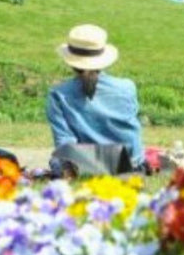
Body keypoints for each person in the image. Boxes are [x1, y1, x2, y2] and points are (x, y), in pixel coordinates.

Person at [45, 24, 144, 174]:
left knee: (55, 160)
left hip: (88, 168)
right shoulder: (127, 87)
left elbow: (64, 143)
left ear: (70, 62)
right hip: (131, 165)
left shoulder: (58, 94)